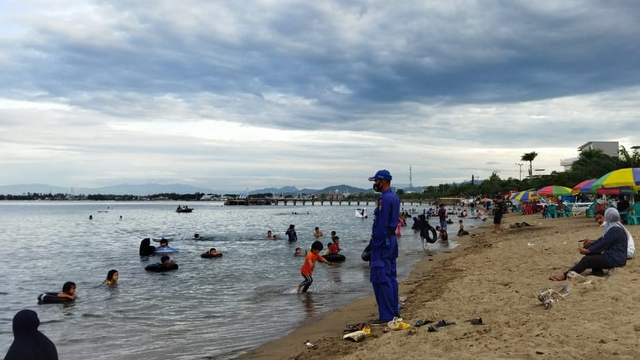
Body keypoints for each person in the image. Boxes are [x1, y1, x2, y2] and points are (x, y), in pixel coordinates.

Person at [550, 208, 628, 281]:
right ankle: (597, 270)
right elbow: (602, 240)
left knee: (586, 260)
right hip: (614, 255)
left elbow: (603, 244)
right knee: (589, 248)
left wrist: (588, 251)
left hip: (615, 258)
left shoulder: (614, 229)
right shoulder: (614, 226)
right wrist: (589, 247)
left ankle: (565, 275)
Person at [367, 169, 400, 325]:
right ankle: (393, 309)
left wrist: (374, 244)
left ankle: (386, 315)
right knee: (391, 276)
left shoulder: (384, 199)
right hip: (391, 240)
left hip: (383, 242)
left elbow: (381, 224)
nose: (375, 184)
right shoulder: (394, 197)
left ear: (383, 181)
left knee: (381, 278)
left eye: (376, 181)